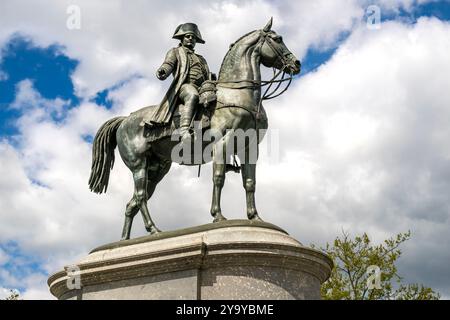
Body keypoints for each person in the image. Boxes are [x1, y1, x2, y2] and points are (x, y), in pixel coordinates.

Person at [142, 22, 211, 143]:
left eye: (193, 37)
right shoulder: (175, 51)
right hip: (185, 86)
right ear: (182, 38)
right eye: (188, 36)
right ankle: (184, 130)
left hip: (203, 88)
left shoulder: (201, 58)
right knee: (192, 95)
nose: (191, 39)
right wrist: (163, 71)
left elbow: (207, 75)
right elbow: (168, 64)